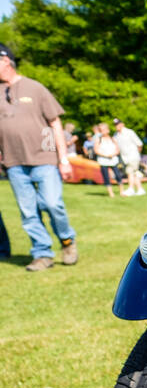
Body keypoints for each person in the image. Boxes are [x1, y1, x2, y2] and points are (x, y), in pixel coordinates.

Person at [0, 42, 77, 270]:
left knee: (53, 204)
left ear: (6, 61)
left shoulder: (35, 88)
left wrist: (63, 160)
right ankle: (42, 253)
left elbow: (55, 122)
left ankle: (67, 240)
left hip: (44, 159)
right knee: (28, 212)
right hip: (14, 163)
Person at [112, 117, 146, 196]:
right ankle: (140, 189)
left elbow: (139, 144)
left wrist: (137, 154)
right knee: (134, 173)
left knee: (129, 172)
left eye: (118, 124)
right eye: (115, 125)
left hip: (133, 156)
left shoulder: (129, 132)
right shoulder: (116, 135)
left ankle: (131, 189)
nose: (117, 126)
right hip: (125, 158)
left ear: (122, 124)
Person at [92, 123, 122, 196]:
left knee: (118, 175)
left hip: (113, 160)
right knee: (106, 177)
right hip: (103, 161)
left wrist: (113, 154)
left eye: (104, 130)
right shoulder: (98, 139)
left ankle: (121, 191)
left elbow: (118, 149)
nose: (103, 132)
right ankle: (111, 193)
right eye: (101, 130)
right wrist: (105, 155)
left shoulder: (113, 139)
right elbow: (96, 150)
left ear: (108, 130)